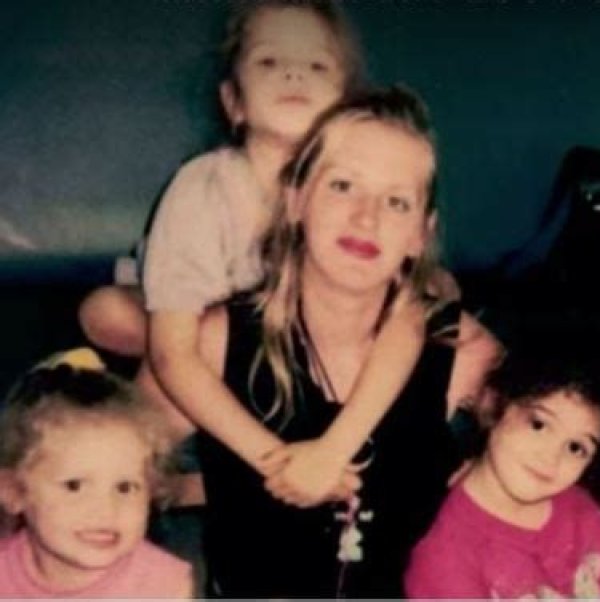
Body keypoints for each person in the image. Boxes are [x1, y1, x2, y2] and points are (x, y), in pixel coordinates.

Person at [77, 0, 429, 507]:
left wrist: (329, 453)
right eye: (269, 61)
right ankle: (128, 464)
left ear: (349, 109)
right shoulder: (205, 188)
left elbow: (413, 305)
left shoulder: (358, 194)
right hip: (204, 332)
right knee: (120, 316)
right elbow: (175, 356)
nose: (293, 74)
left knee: (441, 329)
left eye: (316, 65)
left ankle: (201, 486)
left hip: (297, 346)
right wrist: (276, 462)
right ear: (233, 101)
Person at [188, 85, 501, 597]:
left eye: (396, 202)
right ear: (296, 199)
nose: (366, 217)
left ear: (420, 234)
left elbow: (585, 436)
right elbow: (109, 450)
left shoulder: (458, 349)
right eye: (343, 185)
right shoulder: (217, 342)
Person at [404, 333, 600, 599]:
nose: (550, 458)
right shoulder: (445, 557)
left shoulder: (582, 511)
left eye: (575, 447)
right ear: (494, 403)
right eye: (538, 425)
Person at [0, 348, 193, 598]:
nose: (106, 510)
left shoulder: (163, 586)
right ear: (13, 491)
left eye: (125, 487)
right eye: (74, 485)